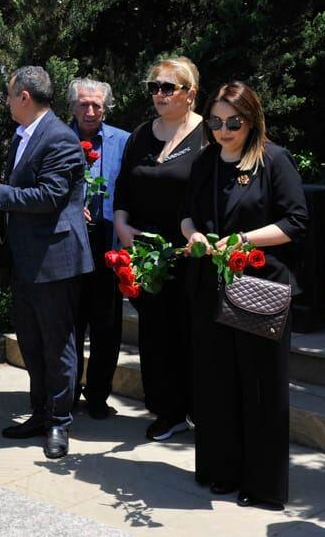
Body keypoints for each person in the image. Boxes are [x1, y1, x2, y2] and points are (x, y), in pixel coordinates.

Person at [180, 81, 307, 510]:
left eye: (233, 122)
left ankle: (263, 483)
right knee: (216, 384)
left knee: (260, 386)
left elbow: (295, 222)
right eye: (216, 122)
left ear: (251, 119)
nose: (223, 130)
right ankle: (223, 470)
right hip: (209, 288)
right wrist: (194, 235)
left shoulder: (273, 160)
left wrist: (243, 239)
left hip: (258, 287)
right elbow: (186, 214)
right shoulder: (205, 161)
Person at [0, 66, 91, 459]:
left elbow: (50, 196)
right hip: (25, 260)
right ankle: (40, 414)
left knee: (57, 345)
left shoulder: (60, 138)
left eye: (9, 95)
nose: (6, 102)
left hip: (55, 261)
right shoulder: (22, 135)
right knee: (32, 344)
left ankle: (59, 422)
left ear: (24, 96)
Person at [113, 58, 205, 439]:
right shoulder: (140, 136)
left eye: (168, 87)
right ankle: (168, 411)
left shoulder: (208, 135)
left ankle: (201, 409)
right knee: (155, 335)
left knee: (192, 333)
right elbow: (124, 186)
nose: (159, 94)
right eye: (154, 87)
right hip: (147, 253)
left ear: (190, 93)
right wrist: (121, 224)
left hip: (191, 252)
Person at [66, 77, 130, 420]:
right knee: (71, 324)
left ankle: (98, 395)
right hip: (69, 243)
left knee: (107, 326)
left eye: (97, 105)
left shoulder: (123, 141)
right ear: (72, 107)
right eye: (83, 105)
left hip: (109, 243)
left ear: (106, 108)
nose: (90, 111)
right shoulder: (59, 139)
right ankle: (68, 391)